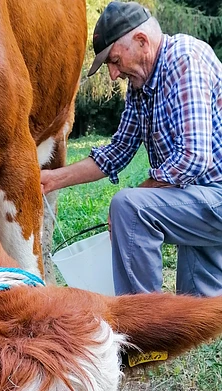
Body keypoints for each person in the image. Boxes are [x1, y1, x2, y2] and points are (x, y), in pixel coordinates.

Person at [41, 1, 222, 297]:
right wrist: (53, 179)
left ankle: (142, 326)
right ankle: (163, 334)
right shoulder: (142, 88)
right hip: (199, 199)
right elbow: (117, 152)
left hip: (214, 194)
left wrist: (141, 194)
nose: (113, 75)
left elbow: (193, 158)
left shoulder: (184, 60)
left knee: (129, 207)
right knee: (197, 308)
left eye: (114, 61)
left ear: (140, 41)